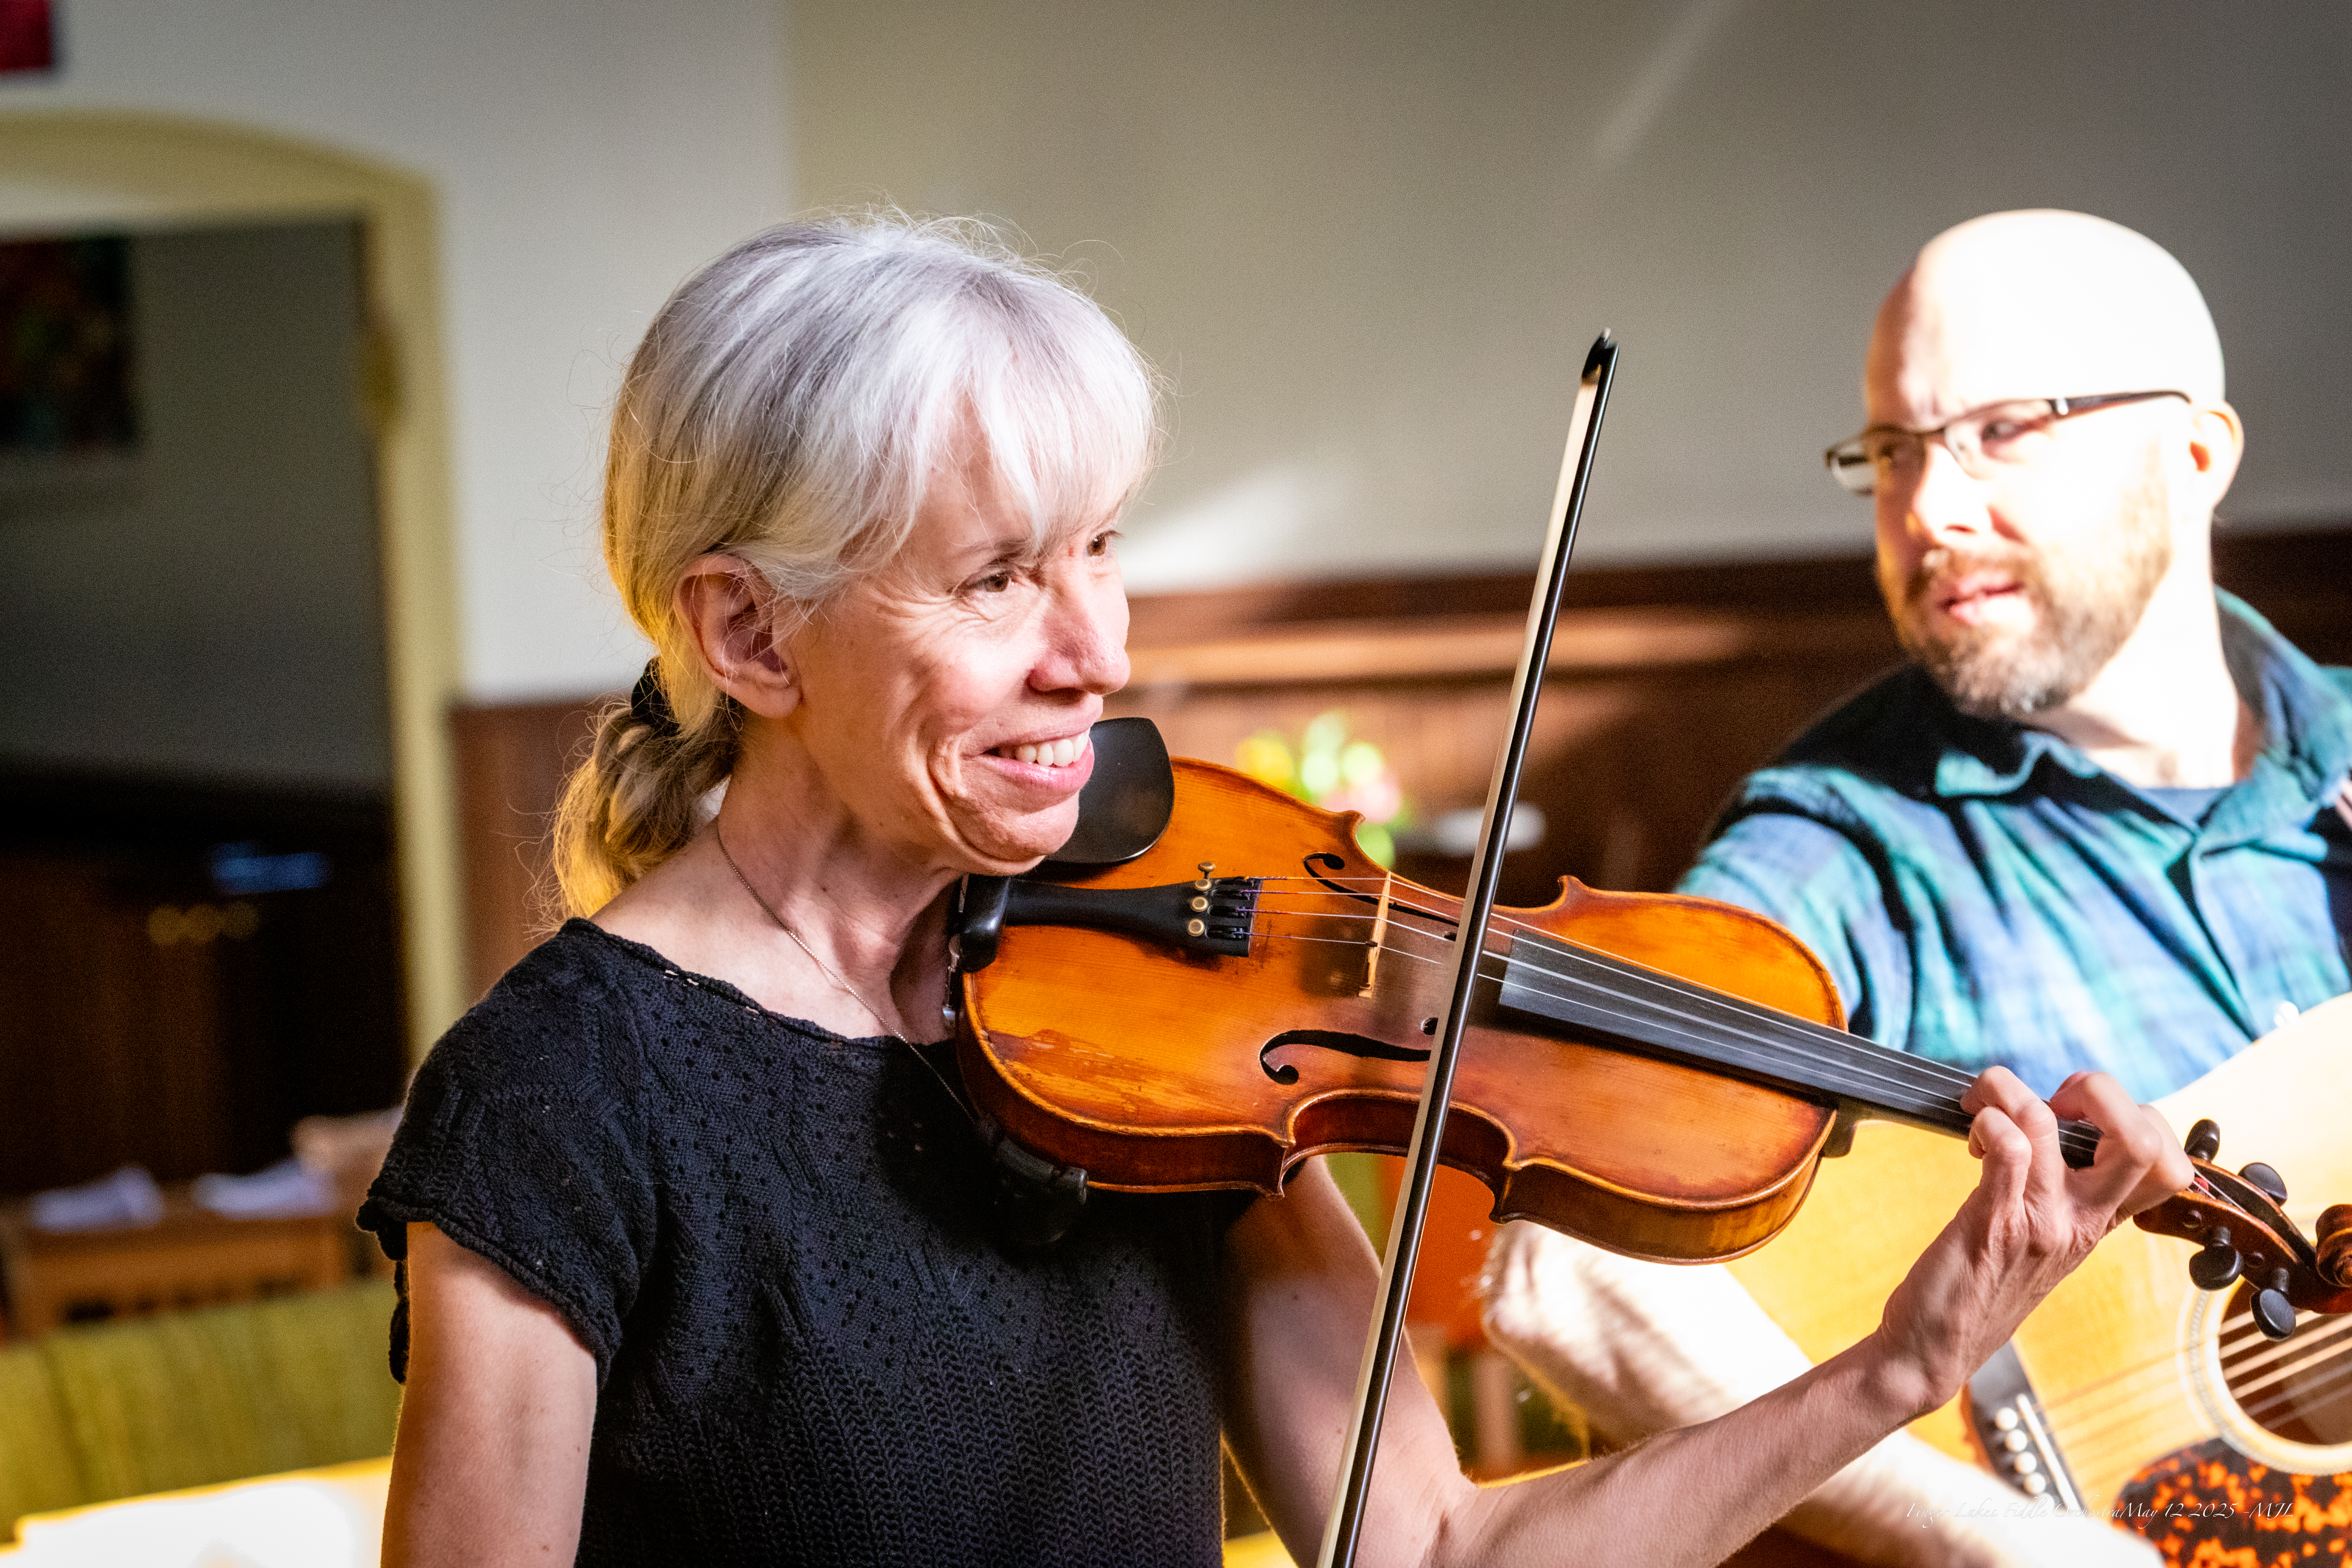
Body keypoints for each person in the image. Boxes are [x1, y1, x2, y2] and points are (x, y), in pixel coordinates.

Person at [361, 213, 2188, 1568]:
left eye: (1101, 547)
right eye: (999, 576)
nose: (1100, 647)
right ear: (748, 628)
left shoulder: (1153, 1030)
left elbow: (1436, 1554)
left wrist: (1894, 1365)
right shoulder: (561, 1100)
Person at [1485, 210, 2352, 1566]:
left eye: (2005, 430)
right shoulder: (1841, 844)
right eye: (1893, 450)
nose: (1926, 511)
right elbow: (1569, 1273)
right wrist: (2002, 1547)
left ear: (2193, 456)